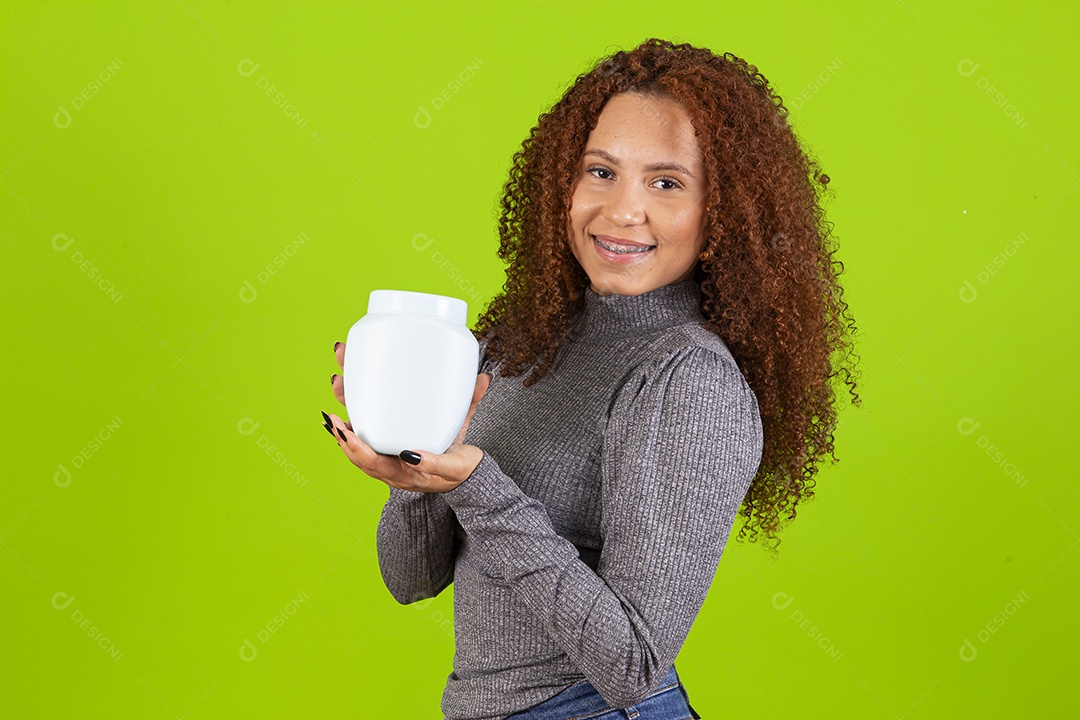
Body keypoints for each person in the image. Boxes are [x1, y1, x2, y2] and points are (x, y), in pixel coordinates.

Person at [322, 37, 861, 720]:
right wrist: (412, 455)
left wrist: (477, 486)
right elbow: (411, 580)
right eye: (600, 171)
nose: (622, 210)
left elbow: (632, 664)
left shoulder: (687, 379)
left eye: (666, 183)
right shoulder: (525, 337)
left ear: (723, 211)